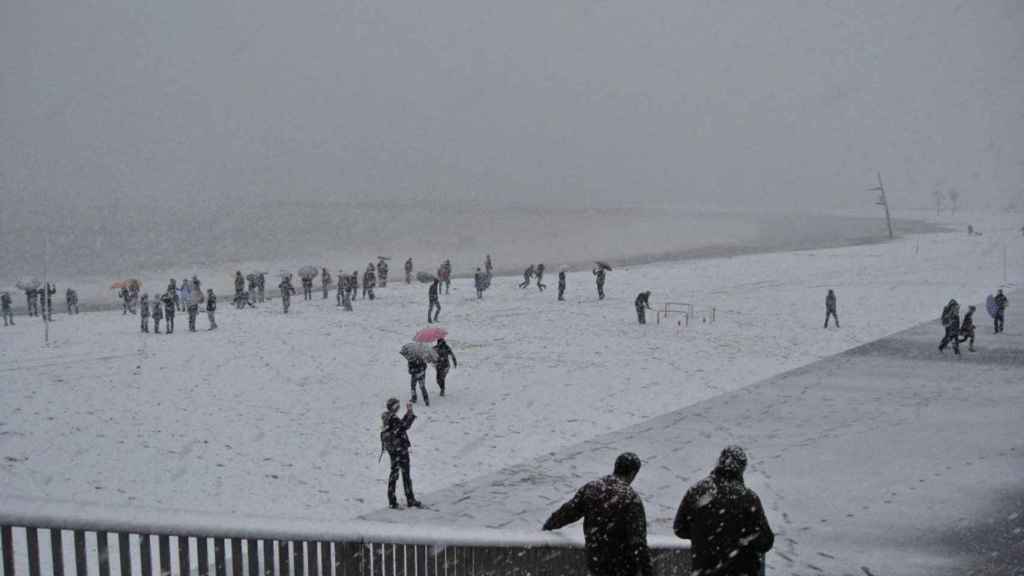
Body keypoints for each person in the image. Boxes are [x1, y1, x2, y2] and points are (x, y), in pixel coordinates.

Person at [542, 452, 653, 576]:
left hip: (596, 562)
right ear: (633, 473)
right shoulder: (631, 498)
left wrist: (548, 526)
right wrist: (647, 571)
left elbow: (567, 512)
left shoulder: (592, 488)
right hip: (623, 566)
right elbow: (638, 542)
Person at [673, 446, 774, 576]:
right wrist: (741, 540)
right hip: (741, 570)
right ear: (741, 468)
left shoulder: (696, 491)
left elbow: (679, 528)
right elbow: (766, 541)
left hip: (704, 570)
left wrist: (703, 536)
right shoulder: (748, 498)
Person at [380, 398, 421, 509]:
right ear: (394, 407)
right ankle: (410, 499)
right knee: (406, 474)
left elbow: (399, 426)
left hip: (392, 450)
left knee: (394, 473)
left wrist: (407, 415)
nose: (398, 407)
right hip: (400, 449)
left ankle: (392, 500)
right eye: (397, 405)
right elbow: (403, 427)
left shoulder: (387, 417)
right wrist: (410, 414)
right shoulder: (393, 418)